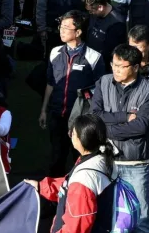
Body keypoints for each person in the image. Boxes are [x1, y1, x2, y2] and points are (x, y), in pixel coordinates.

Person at [89, 44, 149, 233]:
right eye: (114, 64)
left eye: (122, 66)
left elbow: (140, 127)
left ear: (137, 66)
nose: (116, 70)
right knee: (107, 216)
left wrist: (108, 124)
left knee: (140, 219)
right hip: (107, 161)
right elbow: (93, 116)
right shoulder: (103, 81)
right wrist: (122, 117)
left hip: (136, 164)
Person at [40, 10, 105, 177]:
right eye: (61, 26)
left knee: (81, 159)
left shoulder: (94, 57)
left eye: (66, 27)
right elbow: (50, 83)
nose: (61, 30)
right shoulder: (55, 52)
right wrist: (43, 110)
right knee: (56, 158)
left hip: (80, 119)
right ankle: (54, 198)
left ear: (78, 32)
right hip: (57, 116)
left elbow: (99, 91)